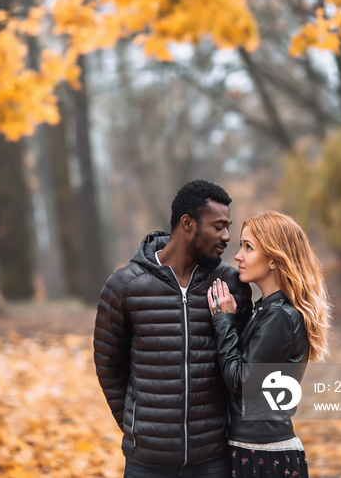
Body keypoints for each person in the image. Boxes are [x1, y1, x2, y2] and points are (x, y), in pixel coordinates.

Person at [93, 179, 252, 478]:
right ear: (188, 223)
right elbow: (108, 366)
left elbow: (242, 367)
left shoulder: (232, 286)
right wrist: (136, 426)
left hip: (212, 459)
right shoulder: (124, 286)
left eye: (228, 226)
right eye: (218, 226)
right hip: (147, 461)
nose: (227, 236)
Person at [207, 211, 330, 478]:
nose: (238, 255)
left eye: (248, 247)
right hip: (255, 449)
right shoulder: (268, 310)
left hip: (263, 456)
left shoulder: (280, 316)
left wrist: (223, 320)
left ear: (274, 259)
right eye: (241, 245)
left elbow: (241, 382)